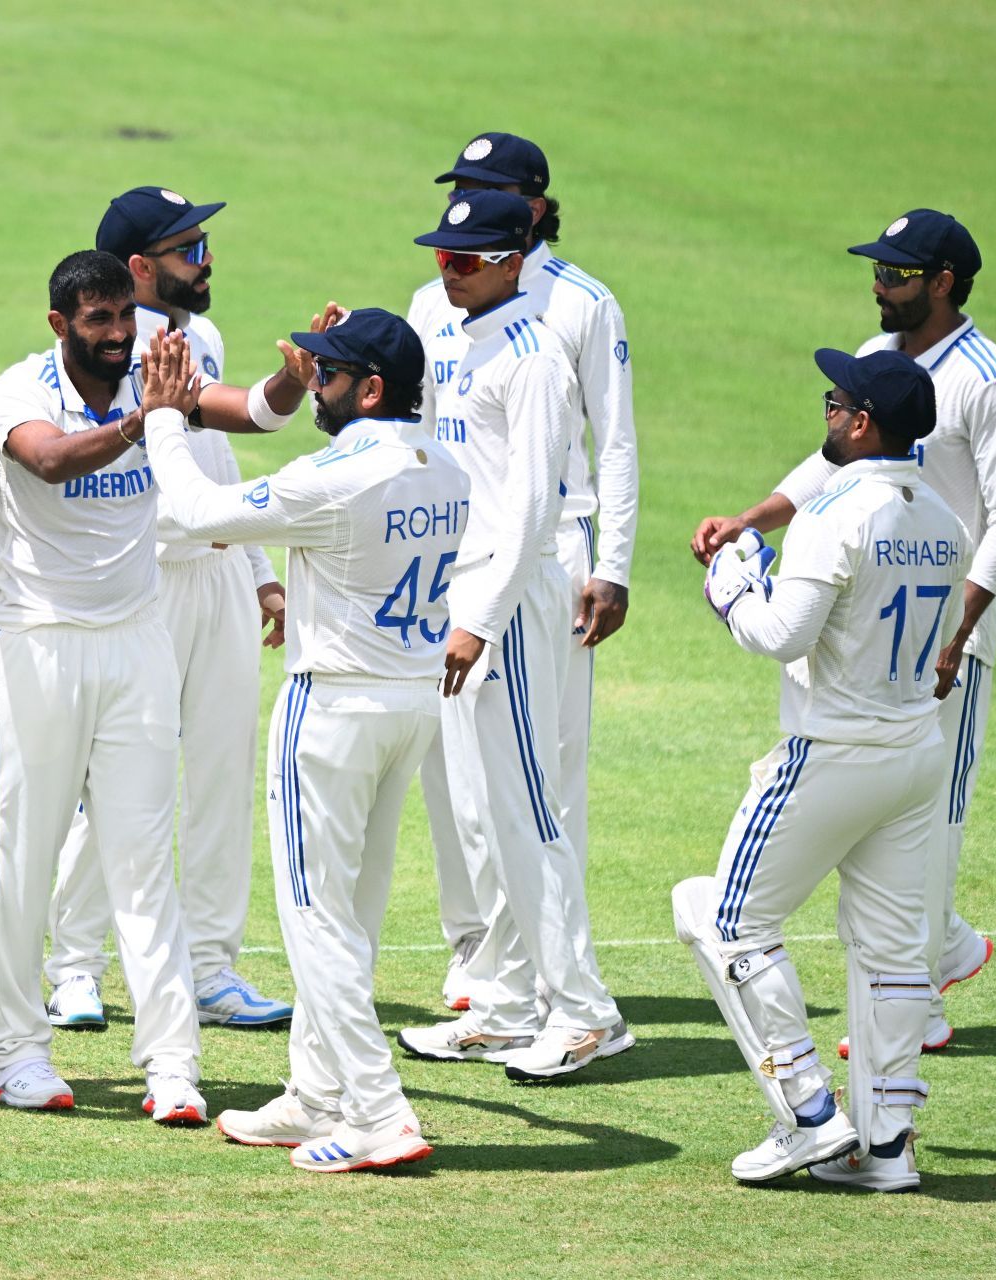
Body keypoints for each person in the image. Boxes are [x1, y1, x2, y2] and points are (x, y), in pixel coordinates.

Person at [690, 210, 996, 1051]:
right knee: (888, 807)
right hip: (867, 614)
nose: (878, 286)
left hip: (941, 633)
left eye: (897, 275)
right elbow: (826, 465)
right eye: (877, 272)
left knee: (932, 816)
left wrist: (959, 631)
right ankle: (942, 953)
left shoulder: (990, 383)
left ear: (943, 282)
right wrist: (753, 516)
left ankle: (921, 1000)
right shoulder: (880, 361)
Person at [144, 311, 469, 1172]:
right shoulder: (449, 466)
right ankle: (316, 1093)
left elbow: (196, 509)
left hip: (331, 709)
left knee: (314, 919)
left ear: (369, 389)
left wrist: (166, 417)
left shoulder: (333, 479)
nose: (312, 384)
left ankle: (376, 1110)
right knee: (352, 913)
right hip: (412, 705)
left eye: (326, 374)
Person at [676, 347, 970, 1191]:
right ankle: (887, 1147)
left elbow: (782, 636)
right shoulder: (945, 522)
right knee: (890, 952)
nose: (828, 413)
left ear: (862, 421)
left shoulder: (833, 514)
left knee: (720, 918)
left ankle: (807, 1113)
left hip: (834, 752)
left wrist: (732, 582)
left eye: (835, 402)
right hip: (915, 755)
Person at [42, 187, 306, 1032]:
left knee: (223, 779)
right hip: (145, 580)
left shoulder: (204, 336)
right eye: (188, 247)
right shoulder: (103, 354)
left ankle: (209, 968)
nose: (206, 259)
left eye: (203, 243)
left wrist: (260, 569)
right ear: (137, 267)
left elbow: (220, 455)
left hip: (219, 577)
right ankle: (75, 966)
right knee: (123, 780)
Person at [393, 192, 631, 1082]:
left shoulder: (530, 356)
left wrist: (477, 622)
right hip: (477, 581)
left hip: (513, 592)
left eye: (463, 260)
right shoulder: (478, 335)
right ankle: (501, 1001)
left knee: (530, 802)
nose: (446, 272)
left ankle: (584, 1011)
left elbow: (532, 504)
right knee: (485, 809)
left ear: (509, 260)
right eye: (442, 258)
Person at [0, 250, 209, 1125]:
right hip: (36, 643)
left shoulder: (156, 373)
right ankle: (17, 1054)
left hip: (137, 645)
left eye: (126, 317)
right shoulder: (19, 390)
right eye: (100, 321)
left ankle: (173, 1064)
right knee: (24, 856)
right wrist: (145, 424)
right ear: (60, 324)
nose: (119, 335)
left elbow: (237, 414)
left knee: (145, 859)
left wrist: (291, 390)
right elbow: (49, 461)